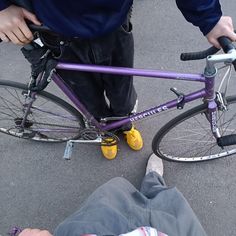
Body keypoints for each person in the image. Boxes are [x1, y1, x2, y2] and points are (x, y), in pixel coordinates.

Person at [0, 1, 235, 160]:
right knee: (87, 98)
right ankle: (103, 131)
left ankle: (125, 123)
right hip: (50, 30)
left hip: (113, 23)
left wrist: (209, 17)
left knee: (122, 90)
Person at [17, 154, 208, 236]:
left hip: (97, 227)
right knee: (168, 200)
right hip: (175, 232)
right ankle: (153, 179)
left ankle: (152, 180)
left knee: (113, 196)